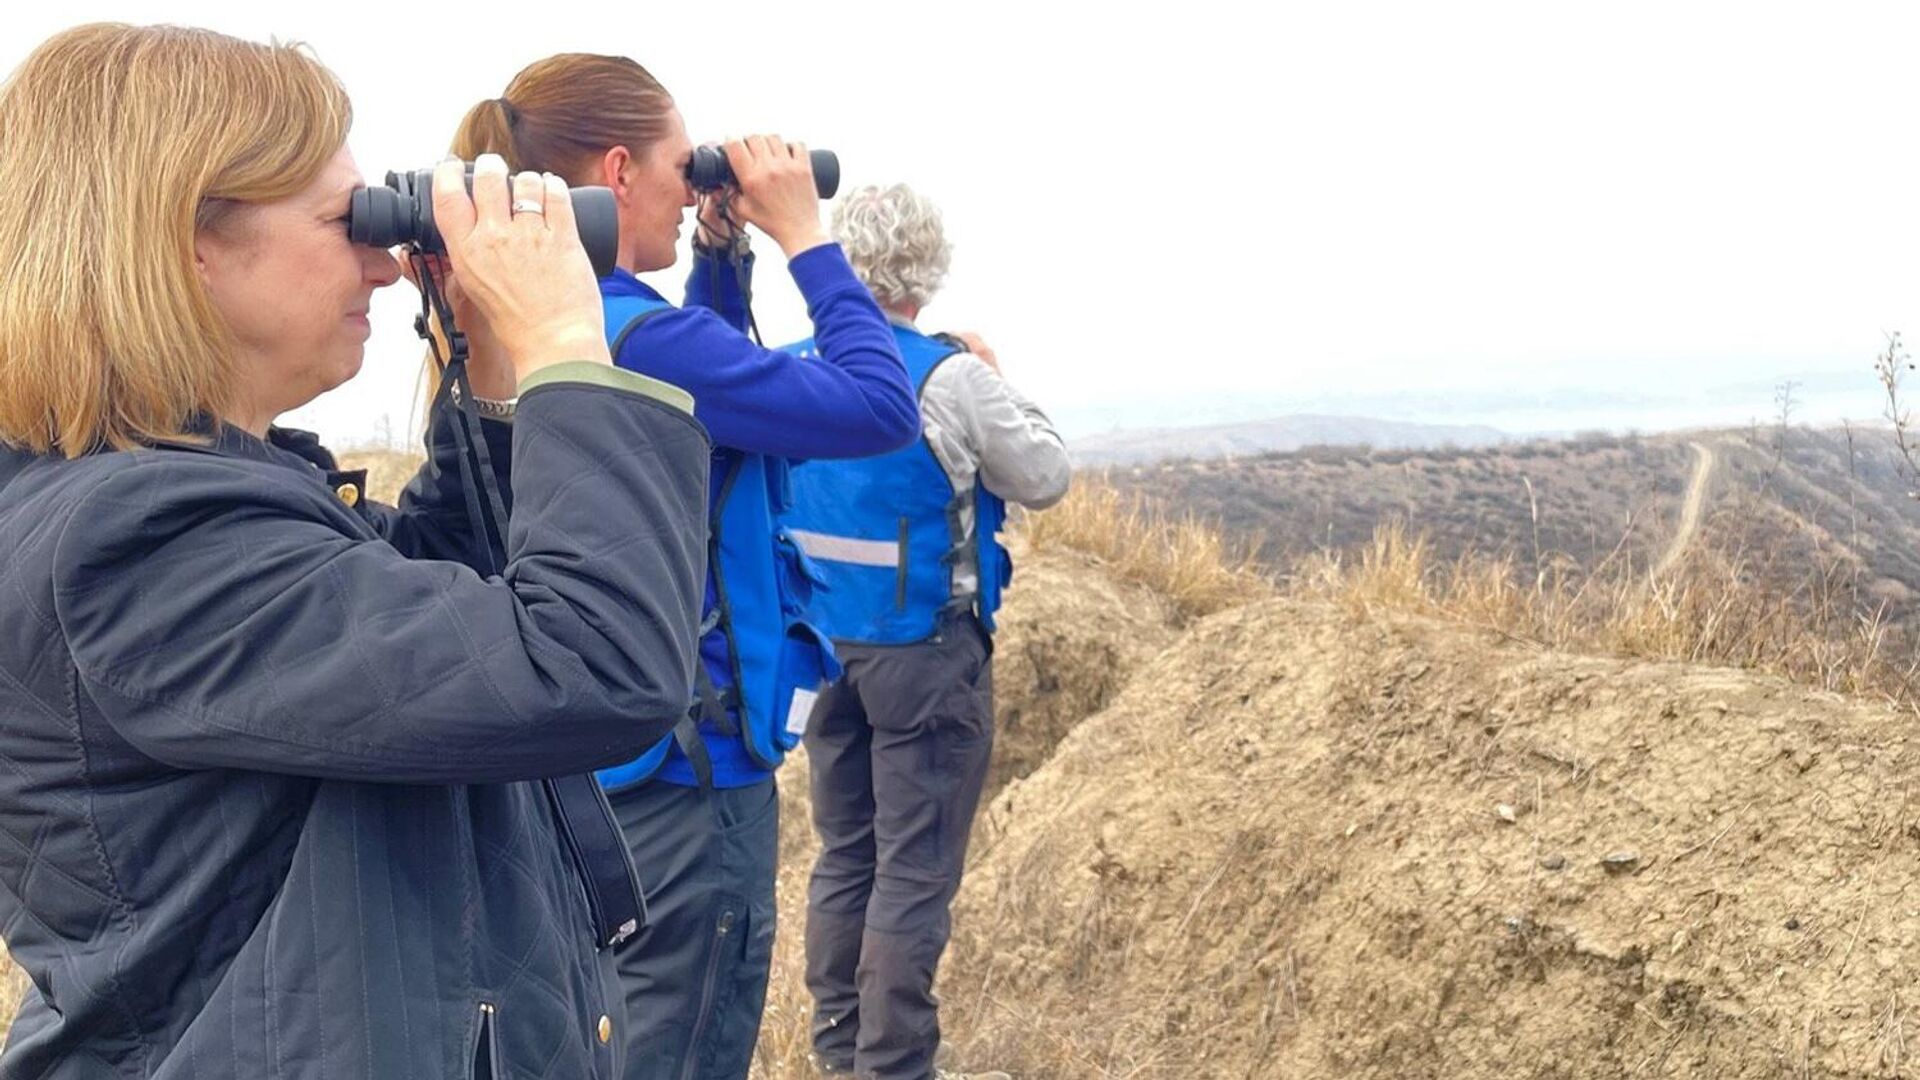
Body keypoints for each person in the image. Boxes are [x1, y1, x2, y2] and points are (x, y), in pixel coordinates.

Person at [0, 24, 712, 1080]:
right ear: (188, 236)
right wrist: (569, 338)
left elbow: (450, 603)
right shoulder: (136, 541)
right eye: (350, 222)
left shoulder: (212, 496)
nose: (386, 263)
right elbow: (587, 664)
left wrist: (500, 363)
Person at [450, 55, 918, 1079]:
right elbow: (880, 406)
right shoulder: (646, 342)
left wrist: (718, 258)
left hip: (588, 761)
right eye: (679, 165)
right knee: (683, 1043)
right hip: (686, 780)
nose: (690, 184)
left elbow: (694, 435)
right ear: (618, 172)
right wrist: (806, 235)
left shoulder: (550, 326)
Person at [781, 184, 1072, 1080]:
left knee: (847, 855)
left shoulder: (793, 367)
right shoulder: (948, 376)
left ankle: (837, 1051)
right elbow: (1046, 475)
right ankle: (894, 1066)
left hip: (823, 649)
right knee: (912, 872)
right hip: (927, 657)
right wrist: (995, 370)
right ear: (926, 267)